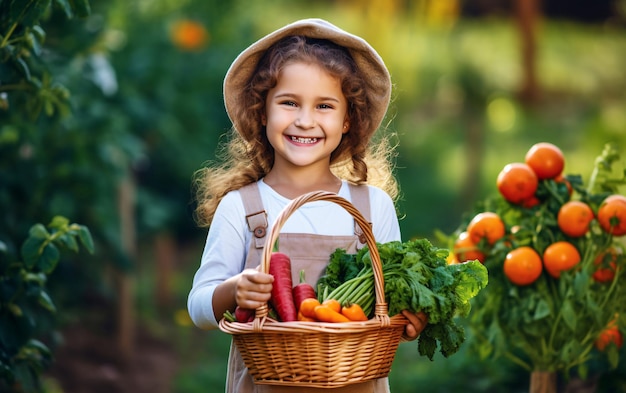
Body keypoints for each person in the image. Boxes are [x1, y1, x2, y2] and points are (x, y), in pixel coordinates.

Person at [187, 18, 428, 393]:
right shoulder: (242, 207)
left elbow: (390, 307)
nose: (305, 120)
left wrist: (408, 319)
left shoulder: (370, 207)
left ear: (348, 119)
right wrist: (232, 290)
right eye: (289, 102)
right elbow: (199, 308)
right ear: (262, 111)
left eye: (325, 106)